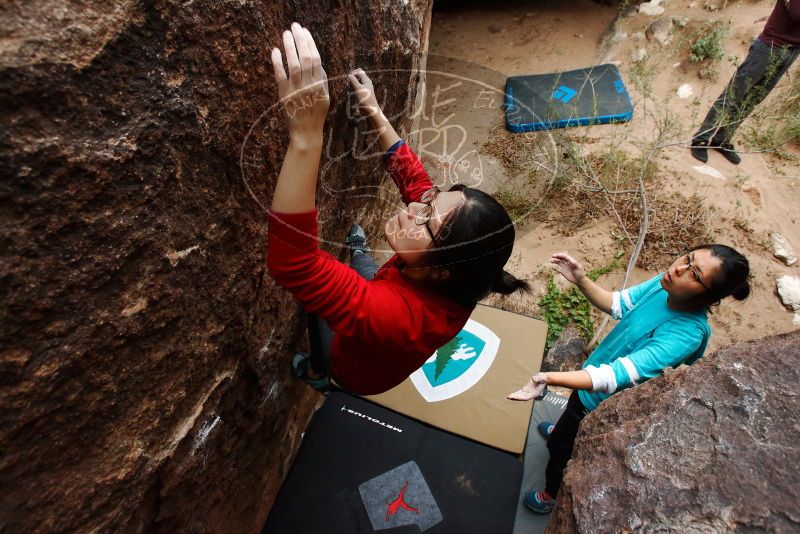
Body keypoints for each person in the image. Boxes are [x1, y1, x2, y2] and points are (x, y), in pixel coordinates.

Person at [267, 24, 529, 395]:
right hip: (384, 294)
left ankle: (319, 374)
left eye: (426, 222)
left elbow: (294, 264)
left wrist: (307, 134)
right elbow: (416, 183)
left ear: (440, 272)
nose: (413, 209)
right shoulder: (461, 273)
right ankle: (359, 252)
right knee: (363, 268)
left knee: (316, 309)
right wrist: (373, 109)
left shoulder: (395, 317)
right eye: (429, 204)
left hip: (353, 366)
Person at [508, 245, 750, 513]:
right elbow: (619, 304)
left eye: (694, 274)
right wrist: (580, 279)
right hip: (590, 382)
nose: (678, 269)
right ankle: (562, 435)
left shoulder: (685, 335)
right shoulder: (666, 285)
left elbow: (616, 376)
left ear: (708, 297)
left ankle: (551, 494)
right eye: (687, 258)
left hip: (604, 404)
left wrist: (548, 377)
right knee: (568, 422)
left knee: (563, 454)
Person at [691, 0, 800, 164]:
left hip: (791, 52)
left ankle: (722, 139)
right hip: (770, 47)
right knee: (735, 93)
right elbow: (796, 13)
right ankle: (701, 138)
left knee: (753, 98)